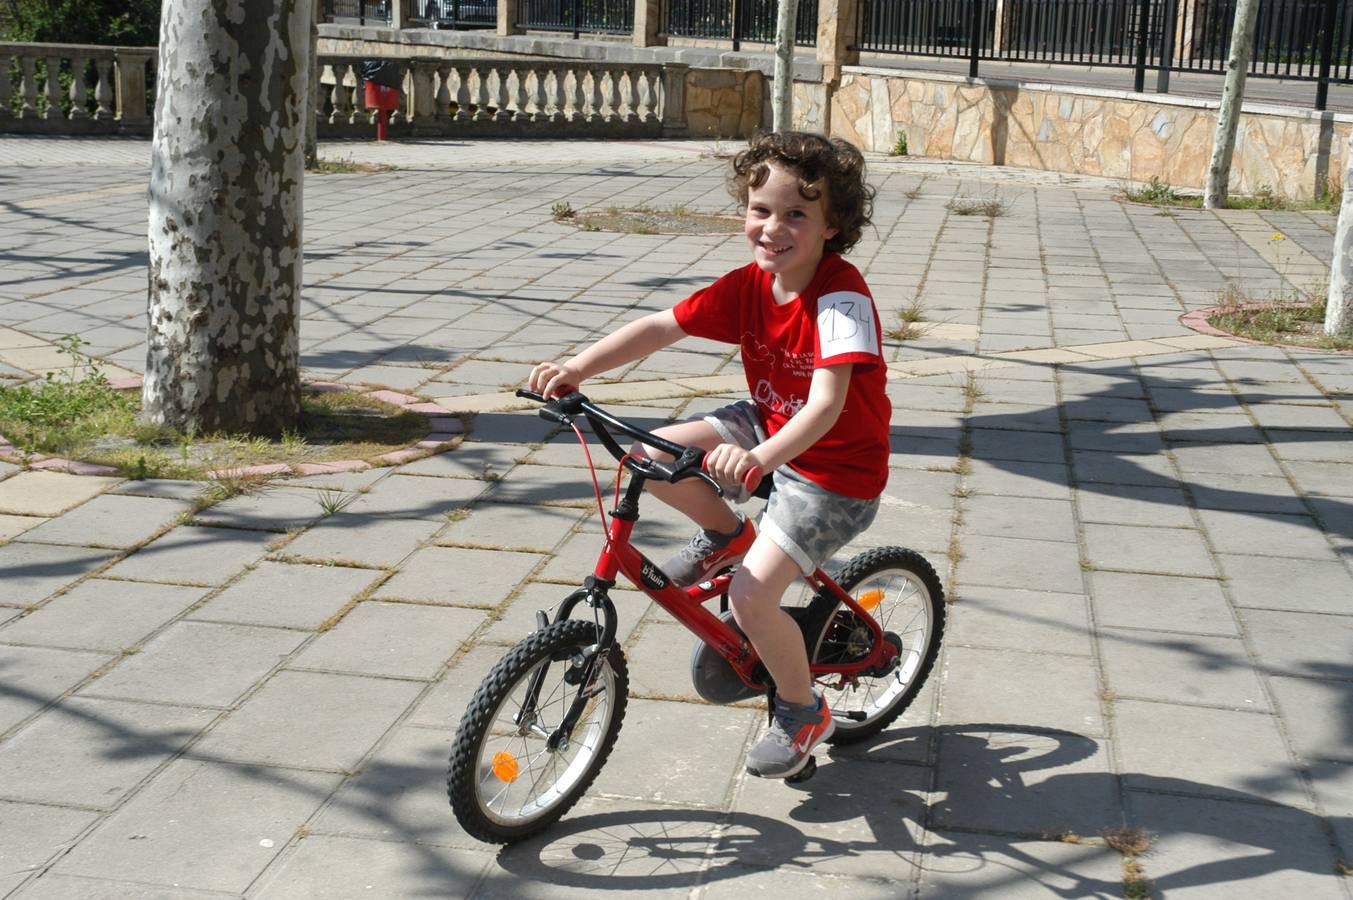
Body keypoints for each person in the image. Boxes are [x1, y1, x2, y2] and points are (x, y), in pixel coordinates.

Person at [529, 131, 888, 779]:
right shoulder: (753, 284)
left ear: (832, 226)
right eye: (760, 210)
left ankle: (802, 708)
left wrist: (762, 459)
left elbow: (827, 404)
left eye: (795, 214)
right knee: (648, 456)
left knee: (752, 599)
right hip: (769, 423)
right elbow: (663, 326)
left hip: (836, 472)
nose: (771, 228)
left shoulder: (841, 300)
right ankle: (725, 533)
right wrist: (576, 368)